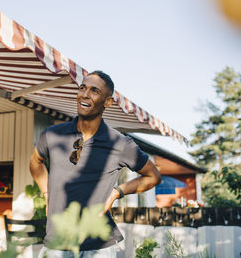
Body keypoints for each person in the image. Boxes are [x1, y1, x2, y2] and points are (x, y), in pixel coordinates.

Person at [30, 70, 161, 257]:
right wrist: (46, 193)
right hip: (57, 242)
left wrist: (116, 193)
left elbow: (153, 176)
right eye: (82, 88)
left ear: (107, 102)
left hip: (100, 246)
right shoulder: (52, 135)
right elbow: (35, 162)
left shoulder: (120, 144)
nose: (85, 94)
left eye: (94, 91)